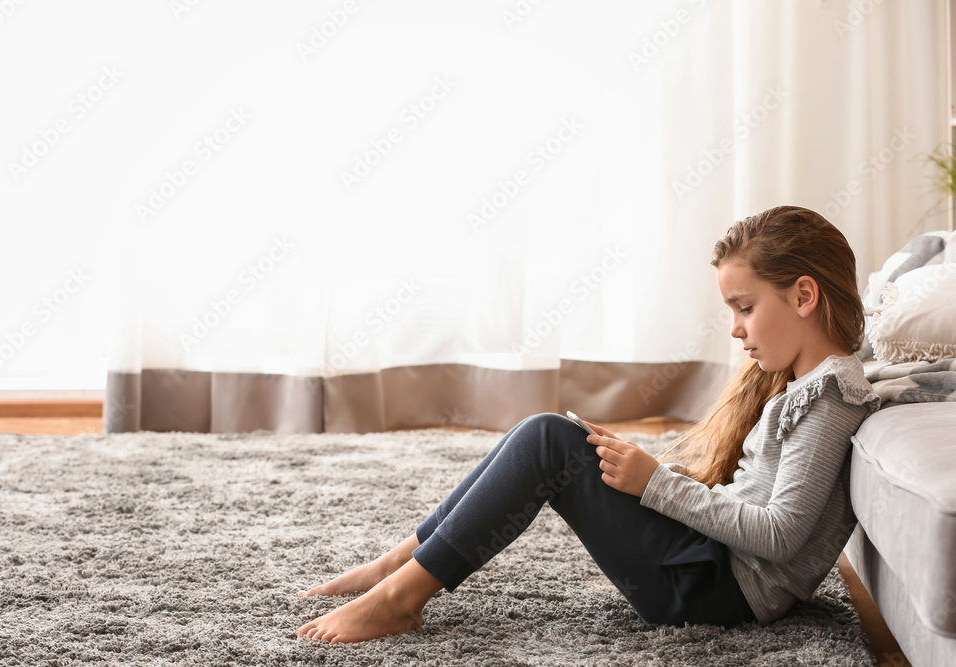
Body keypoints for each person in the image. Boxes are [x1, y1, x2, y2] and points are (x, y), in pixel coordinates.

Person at [296, 205, 882, 644]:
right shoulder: (807, 385)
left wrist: (655, 483)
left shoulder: (831, 396)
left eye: (745, 307)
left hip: (715, 590)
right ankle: (398, 565)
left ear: (804, 295)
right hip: (707, 565)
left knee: (550, 443)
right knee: (547, 435)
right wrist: (652, 478)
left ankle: (400, 596)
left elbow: (779, 536)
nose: (734, 328)